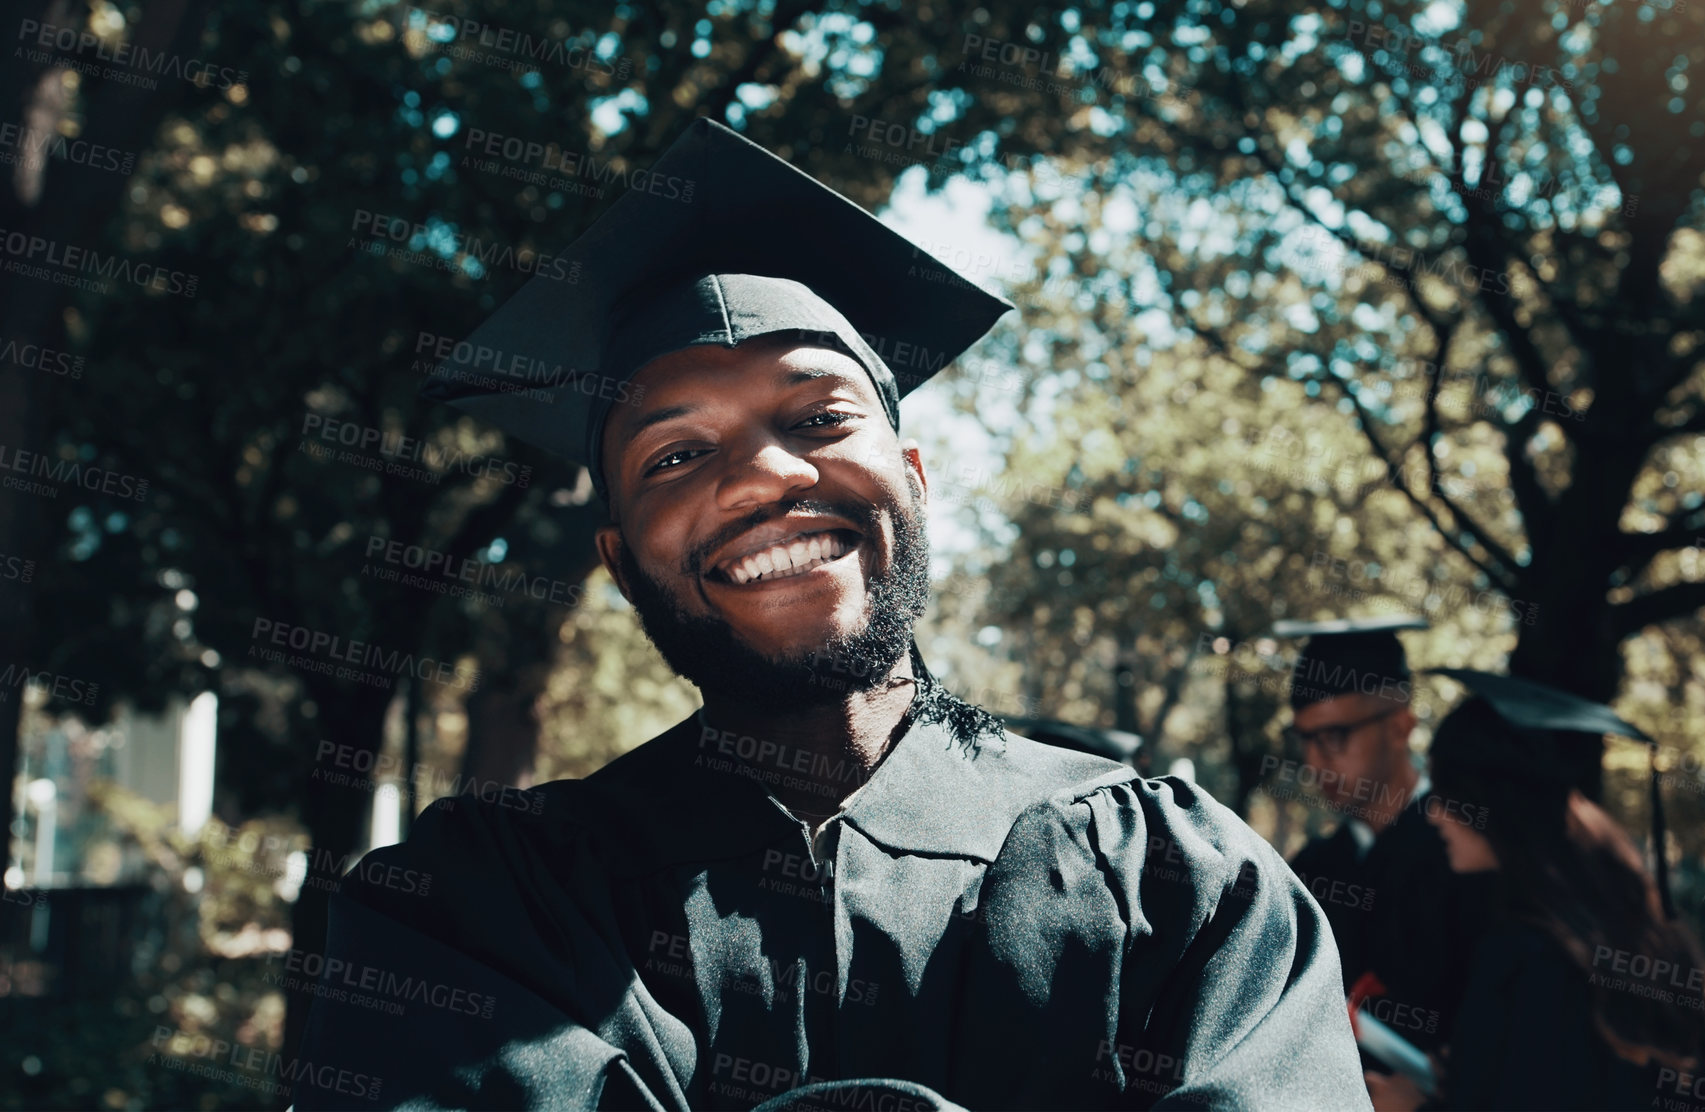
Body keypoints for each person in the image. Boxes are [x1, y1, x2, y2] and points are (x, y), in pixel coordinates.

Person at [292, 118, 1369, 1111]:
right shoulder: (486, 912)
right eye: (674, 454)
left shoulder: (1174, 882)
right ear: (618, 561)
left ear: (911, 474)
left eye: (816, 416)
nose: (763, 474)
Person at [1366, 670, 1705, 1112]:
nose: (1434, 815)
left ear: (1491, 804)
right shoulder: (1627, 930)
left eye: (1446, 793)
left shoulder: (1529, 958)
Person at [1275, 618, 1492, 1063]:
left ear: (1400, 725)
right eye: (1305, 740)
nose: (1316, 762)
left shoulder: (1469, 857)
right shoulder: (1312, 869)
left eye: (1335, 736)